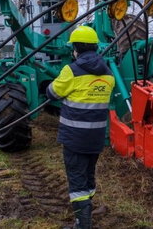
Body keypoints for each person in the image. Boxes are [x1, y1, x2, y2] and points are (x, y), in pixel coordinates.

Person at [46, 26, 115, 229]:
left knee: (77, 182)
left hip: (74, 138)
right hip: (96, 138)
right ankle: (86, 213)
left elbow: (52, 92)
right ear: (95, 46)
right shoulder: (109, 74)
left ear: (76, 48)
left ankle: (82, 225)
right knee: (88, 176)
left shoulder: (71, 71)